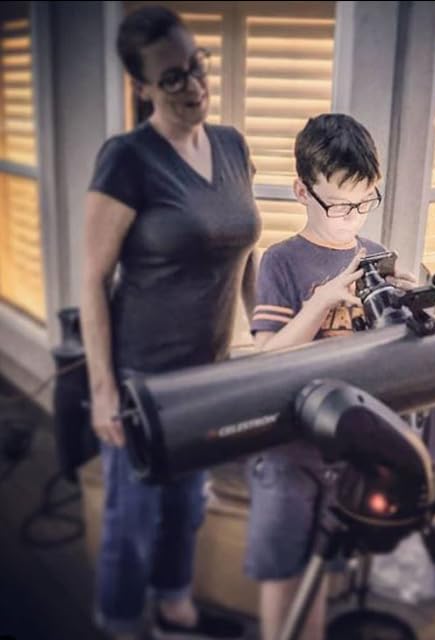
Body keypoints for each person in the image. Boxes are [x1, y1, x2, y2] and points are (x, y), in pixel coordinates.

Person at [80, 6, 260, 640]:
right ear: (143, 87)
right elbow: (93, 281)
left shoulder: (233, 146)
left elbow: (244, 251)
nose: (193, 85)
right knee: (132, 519)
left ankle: (175, 612)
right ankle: (121, 623)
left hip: (208, 372)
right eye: (173, 77)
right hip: (142, 378)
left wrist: (269, 332)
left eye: (196, 66)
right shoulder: (127, 159)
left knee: (187, 505)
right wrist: (104, 389)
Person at [244, 113, 416, 640]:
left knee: (321, 568)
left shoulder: (376, 257)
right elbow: (267, 356)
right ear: (303, 190)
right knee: (282, 570)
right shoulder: (282, 262)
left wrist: (408, 309)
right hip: (288, 447)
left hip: (346, 446)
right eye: (340, 205)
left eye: (365, 202)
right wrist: (320, 303)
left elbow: (386, 357)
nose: (352, 218)